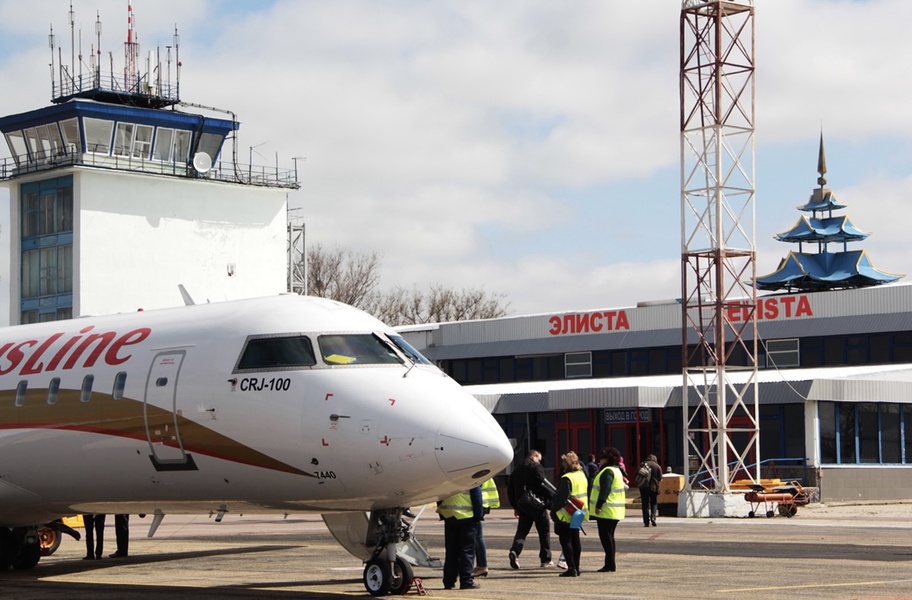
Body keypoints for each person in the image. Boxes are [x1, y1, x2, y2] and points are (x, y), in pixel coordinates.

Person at [506, 449, 555, 569]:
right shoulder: (536, 467)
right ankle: (545, 559)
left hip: (522, 505)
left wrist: (515, 506)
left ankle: (515, 551)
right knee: (544, 530)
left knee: (522, 531)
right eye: (539, 458)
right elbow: (542, 485)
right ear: (533, 456)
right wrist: (551, 501)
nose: (540, 461)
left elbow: (510, 490)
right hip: (537, 504)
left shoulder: (517, 469)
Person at [549, 451, 589, 577]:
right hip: (580, 511)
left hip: (567, 513)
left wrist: (553, 510)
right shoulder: (581, 475)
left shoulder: (567, 478)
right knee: (576, 540)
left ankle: (571, 567)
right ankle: (576, 566)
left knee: (566, 541)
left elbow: (561, 498)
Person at [437, 486, 483, 590]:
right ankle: (466, 581)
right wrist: (478, 516)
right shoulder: (469, 476)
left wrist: (443, 513)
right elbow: (476, 497)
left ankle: (448, 581)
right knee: (467, 551)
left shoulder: (446, 479)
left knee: (451, 551)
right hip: (467, 517)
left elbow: (439, 496)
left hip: (449, 516)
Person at [589, 447, 626, 573]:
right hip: (614, 510)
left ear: (607, 459)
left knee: (606, 537)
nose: (600, 461)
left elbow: (605, 490)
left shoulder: (607, 472)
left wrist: (598, 505)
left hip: (607, 510)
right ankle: (610, 563)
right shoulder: (616, 470)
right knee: (610, 537)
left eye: (602, 458)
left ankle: (610, 564)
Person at [473, 477, 500, 578]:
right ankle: (481, 565)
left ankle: (482, 565)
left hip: (479, 502)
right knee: (478, 536)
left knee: (477, 536)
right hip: (483, 502)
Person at [636, 454, 663, 527]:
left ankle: (646, 521)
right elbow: (660, 478)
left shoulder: (643, 464)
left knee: (645, 504)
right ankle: (653, 517)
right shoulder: (657, 466)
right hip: (654, 487)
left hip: (644, 487)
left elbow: (637, 474)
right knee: (653, 503)